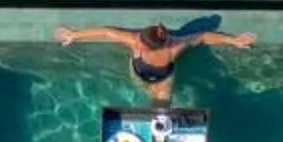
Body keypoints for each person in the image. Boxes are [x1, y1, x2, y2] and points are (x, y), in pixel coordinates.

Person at [56, 19, 256, 104]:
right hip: (139, 73)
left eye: (141, 42)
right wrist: (75, 35)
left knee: (160, 108)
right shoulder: (135, 42)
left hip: (163, 80)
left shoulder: (174, 47)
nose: (137, 42)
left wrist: (233, 40)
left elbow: (203, 36)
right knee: (142, 91)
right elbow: (107, 32)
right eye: (139, 39)